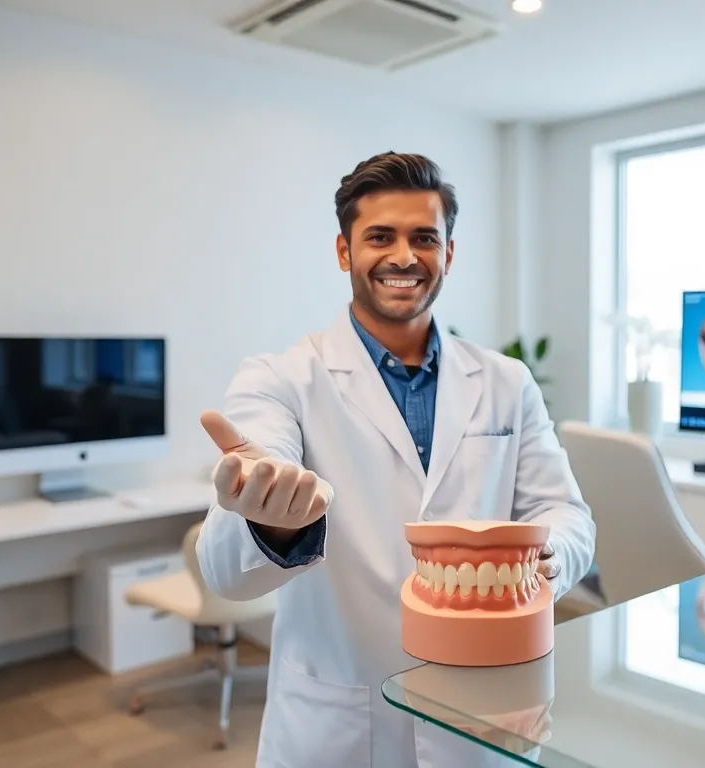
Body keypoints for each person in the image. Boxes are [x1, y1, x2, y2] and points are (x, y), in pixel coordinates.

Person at [195, 151, 597, 768]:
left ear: (449, 254)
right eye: (380, 236)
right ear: (343, 251)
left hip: (482, 714)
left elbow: (564, 510)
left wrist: (543, 558)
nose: (404, 256)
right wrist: (272, 514)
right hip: (342, 725)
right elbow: (228, 569)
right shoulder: (280, 379)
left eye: (425, 238)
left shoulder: (506, 381)